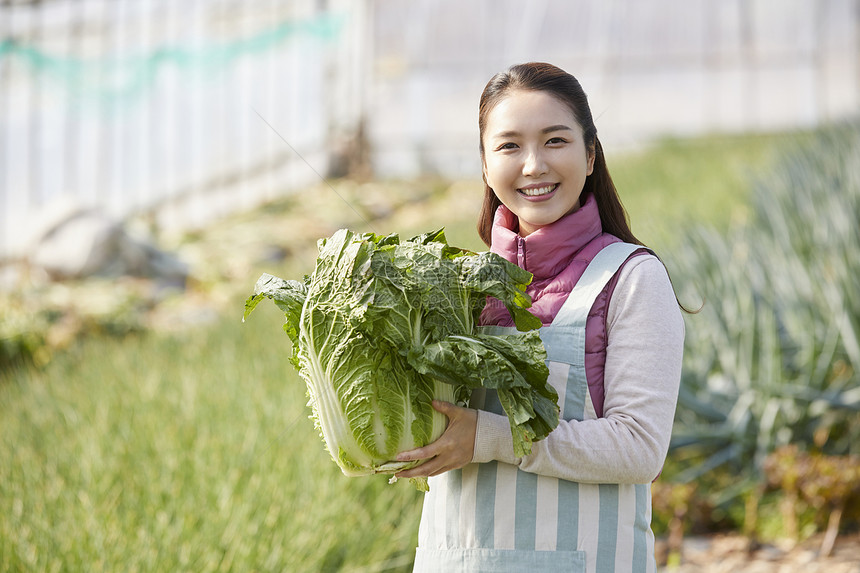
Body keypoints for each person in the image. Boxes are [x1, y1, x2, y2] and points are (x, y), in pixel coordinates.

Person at [394, 62, 686, 572]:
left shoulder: (630, 279)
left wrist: (490, 437)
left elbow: (639, 447)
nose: (533, 165)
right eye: (509, 146)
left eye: (555, 141)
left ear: (590, 154)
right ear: (484, 164)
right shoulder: (453, 288)